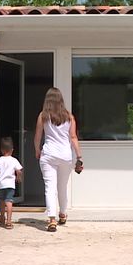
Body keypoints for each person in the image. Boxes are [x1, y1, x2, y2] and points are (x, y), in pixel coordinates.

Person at [34, 87, 83, 232]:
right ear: (61, 100)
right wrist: (79, 156)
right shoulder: (69, 116)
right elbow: (73, 137)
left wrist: (37, 150)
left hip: (48, 154)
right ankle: (62, 213)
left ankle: (52, 219)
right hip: (65, 156)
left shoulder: (43, 116)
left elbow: (38, 135)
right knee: (62, 187)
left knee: (50, 187)